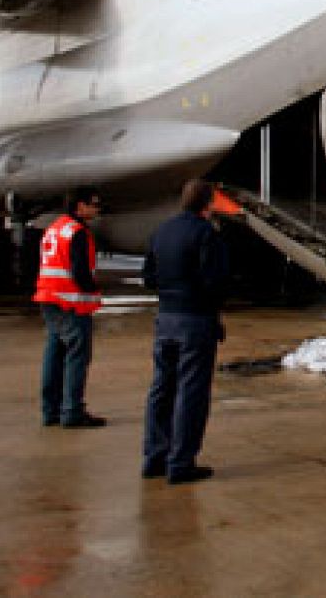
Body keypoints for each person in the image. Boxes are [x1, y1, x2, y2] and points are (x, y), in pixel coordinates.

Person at [142, 180, 230, 485]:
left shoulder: (161, 231)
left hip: (165, 317)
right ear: (208, 203)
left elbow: (148, 276)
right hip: (195, 319)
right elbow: (216, 281)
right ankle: (181, 463)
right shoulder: (207, 234)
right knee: (191, 391)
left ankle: (155, 456)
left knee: (161, 389)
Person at [34, 187, 107, 428]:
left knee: (54, 355)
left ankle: (50, 410)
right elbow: (80, 273)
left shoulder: (55, 228)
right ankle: (72, 411)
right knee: (77, 356)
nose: (98, 208)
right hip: (70, 302)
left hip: (49, 298)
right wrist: (94, 287)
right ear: (80, 206)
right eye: (94, 204)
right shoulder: (78, 232)